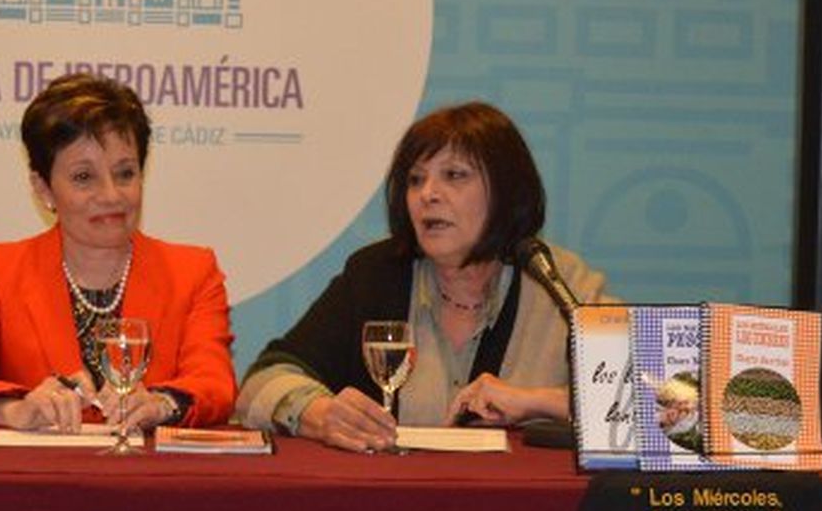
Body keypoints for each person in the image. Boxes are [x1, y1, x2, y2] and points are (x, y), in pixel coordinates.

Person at [237, 101, 611, 453]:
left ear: (506, 191)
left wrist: (535, 402)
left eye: (454, 175)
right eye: (415, 180)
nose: (427, 195)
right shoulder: (377, 274)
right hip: (395, 508)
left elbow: (657, 405)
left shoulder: (558, 281)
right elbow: (263, 380)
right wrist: (317, 413)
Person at [0, 73, 235, 432]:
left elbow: (215, 384)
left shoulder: (193, 272)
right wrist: (14, 409)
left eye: (125, 173)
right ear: (43, 188)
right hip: (36, 483)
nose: (111, 195)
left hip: (152, 479)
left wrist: (162, 404)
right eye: (84, 177)